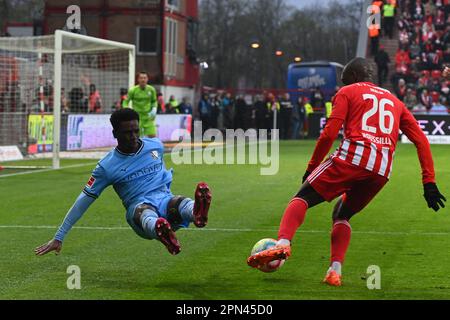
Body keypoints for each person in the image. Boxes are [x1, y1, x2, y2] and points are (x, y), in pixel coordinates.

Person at [247, 58, 446, 287]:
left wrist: (312, 168)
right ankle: (334, 271)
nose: (341, 85)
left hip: (352, 158)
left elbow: (329, 133)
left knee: (301, 197)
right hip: (380, 170)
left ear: (352, 77)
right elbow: (421, 140)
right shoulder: (395, 101)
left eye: (343, 81)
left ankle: (282, 243)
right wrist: (428, 182)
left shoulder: (348, 92)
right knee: (341, 215)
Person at [35, 109, 212, 257]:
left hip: (165, 200)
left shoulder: (156, 146)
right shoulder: (106, 167)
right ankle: (160, 230)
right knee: (145, 213)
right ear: (115, 134)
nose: (133, 136)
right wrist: (59, 236)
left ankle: (196, 213)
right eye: (127, 132)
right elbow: (82, 201)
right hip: (139, 208)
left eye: (136, 131)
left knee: (179, 202)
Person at [122, 71, 158, 138]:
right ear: (138, 79)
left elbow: (154, 101)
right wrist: (126, 109)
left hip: (148, 117)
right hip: (137, 118)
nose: (143, 80)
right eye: (141, 78)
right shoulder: (133, 90)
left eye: (144, 78)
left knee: (153, 136)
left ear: (147, 79)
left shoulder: (151, 90)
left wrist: (154, 108)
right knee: (137, 137)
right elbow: (125, 102)